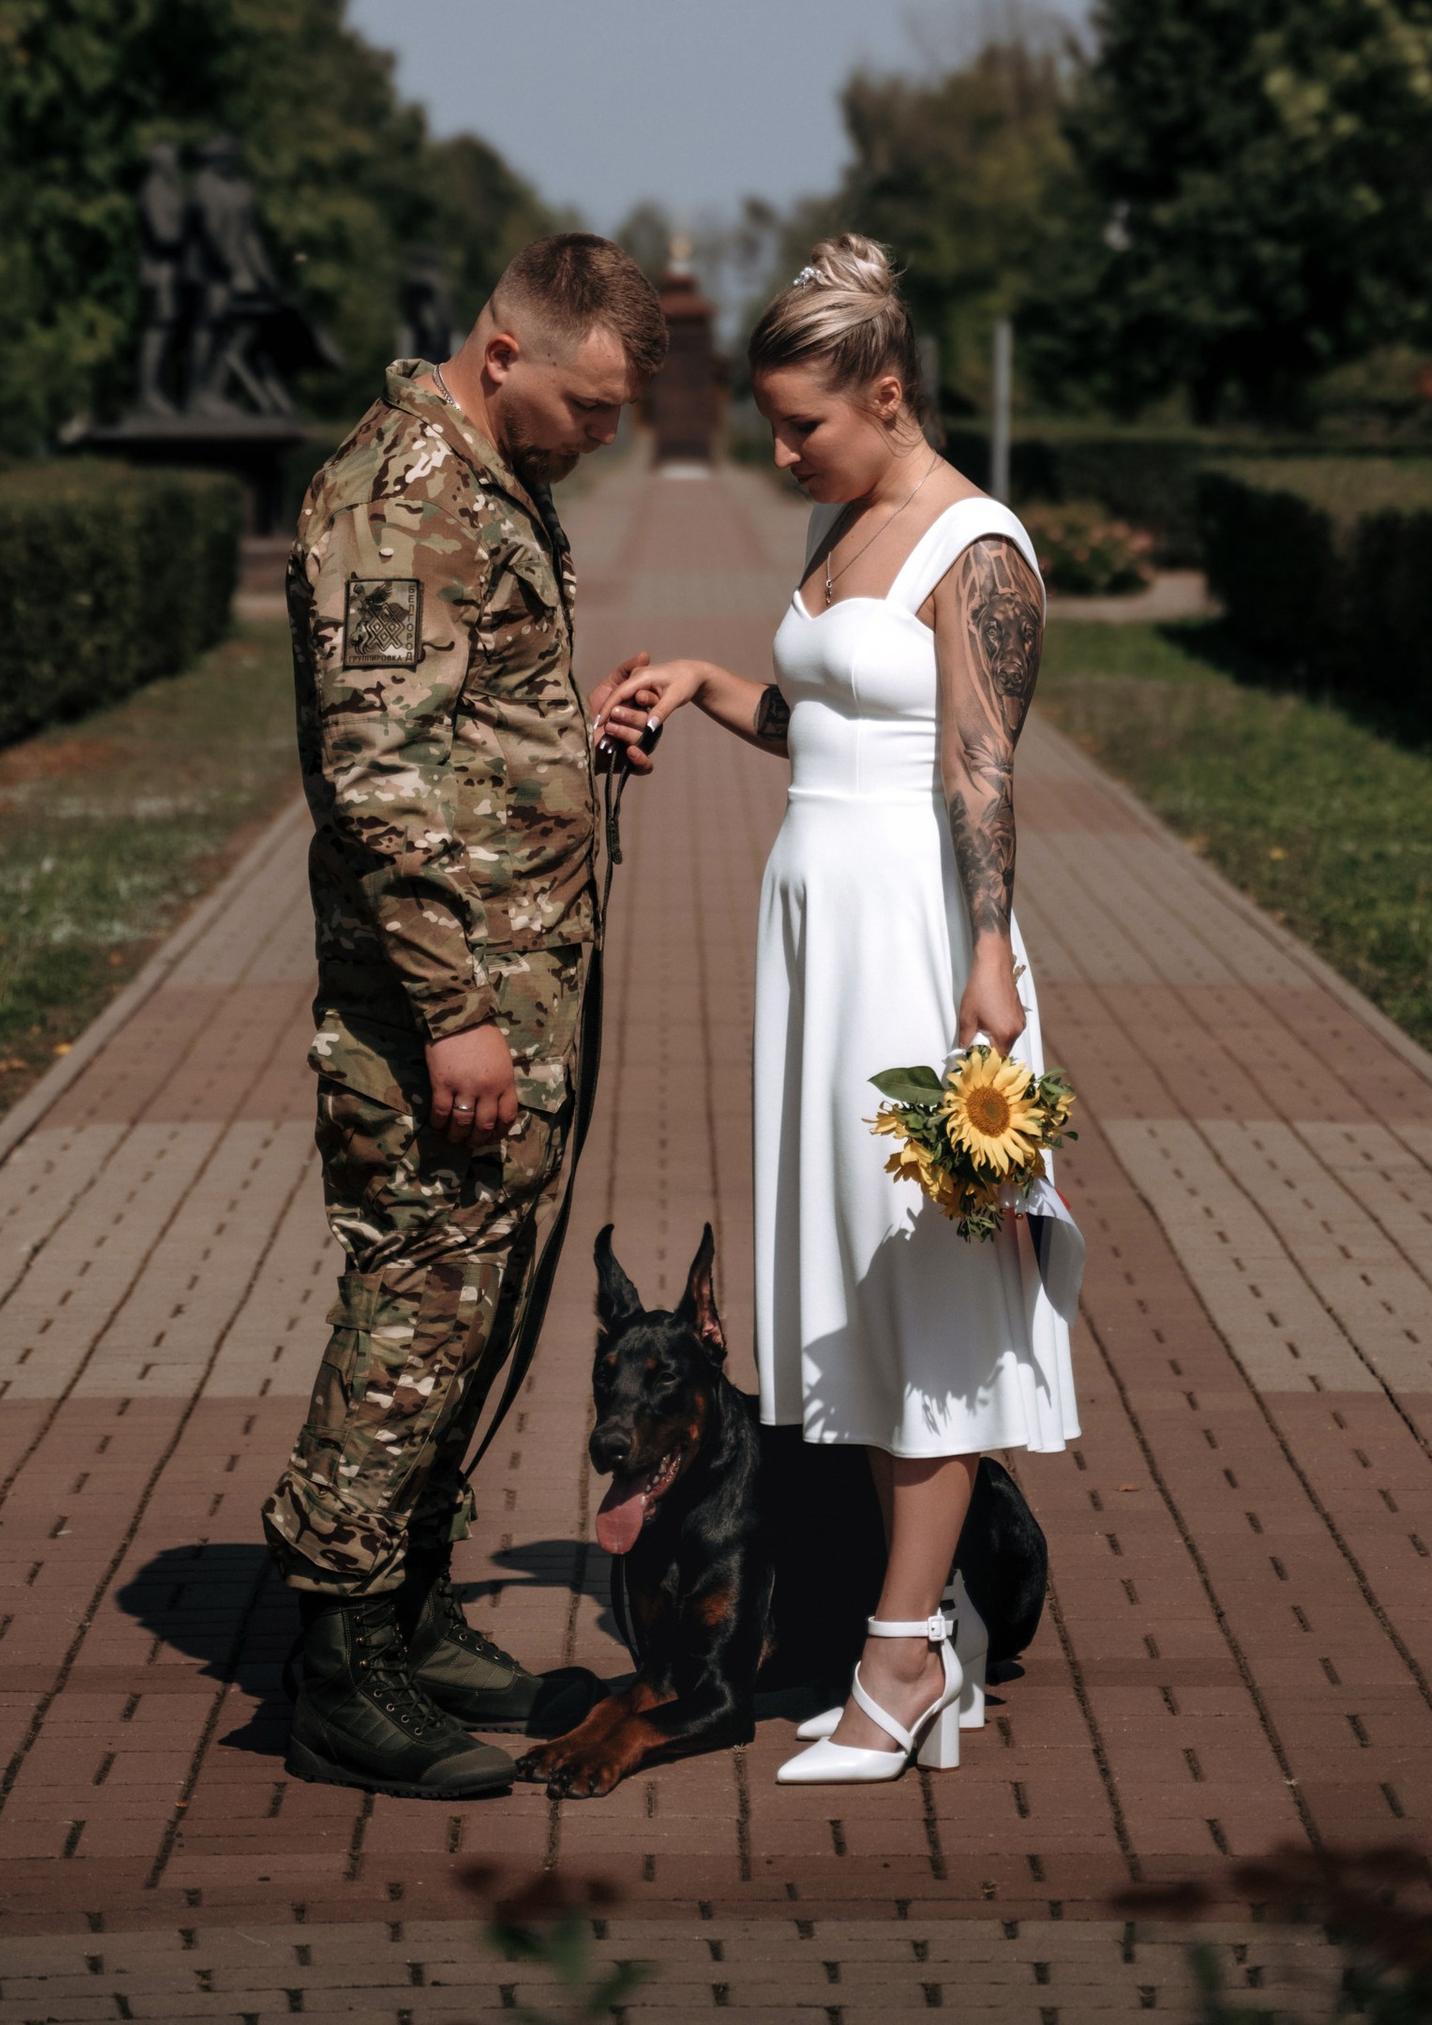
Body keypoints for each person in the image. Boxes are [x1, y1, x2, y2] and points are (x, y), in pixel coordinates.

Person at [591, 234, 1077, 1787]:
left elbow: (978, 773)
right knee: (858, 1298)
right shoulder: (841, 515)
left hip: (920, 944)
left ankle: (902, 1664)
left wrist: (987, 965)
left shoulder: (976, 548)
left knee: (925, 1296)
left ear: (887, 391)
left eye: (805, 423)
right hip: (815, 936)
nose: (784, 450)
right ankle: (922, 1642)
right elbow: (822, 722)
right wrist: (699, 680)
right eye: (775, 426)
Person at [264, 232, 670, 1797]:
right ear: (504, 354)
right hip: (445, 1013)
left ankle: (417, 1604)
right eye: (593, 404)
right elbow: (379, 774)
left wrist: (578, 741)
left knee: (474, 1311)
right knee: (416, 1311)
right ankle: (339, 1663)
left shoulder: (496, 482)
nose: (605, 438)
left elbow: (462, 732)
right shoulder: (402, 500)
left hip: (511, 990)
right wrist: (452, 1012)